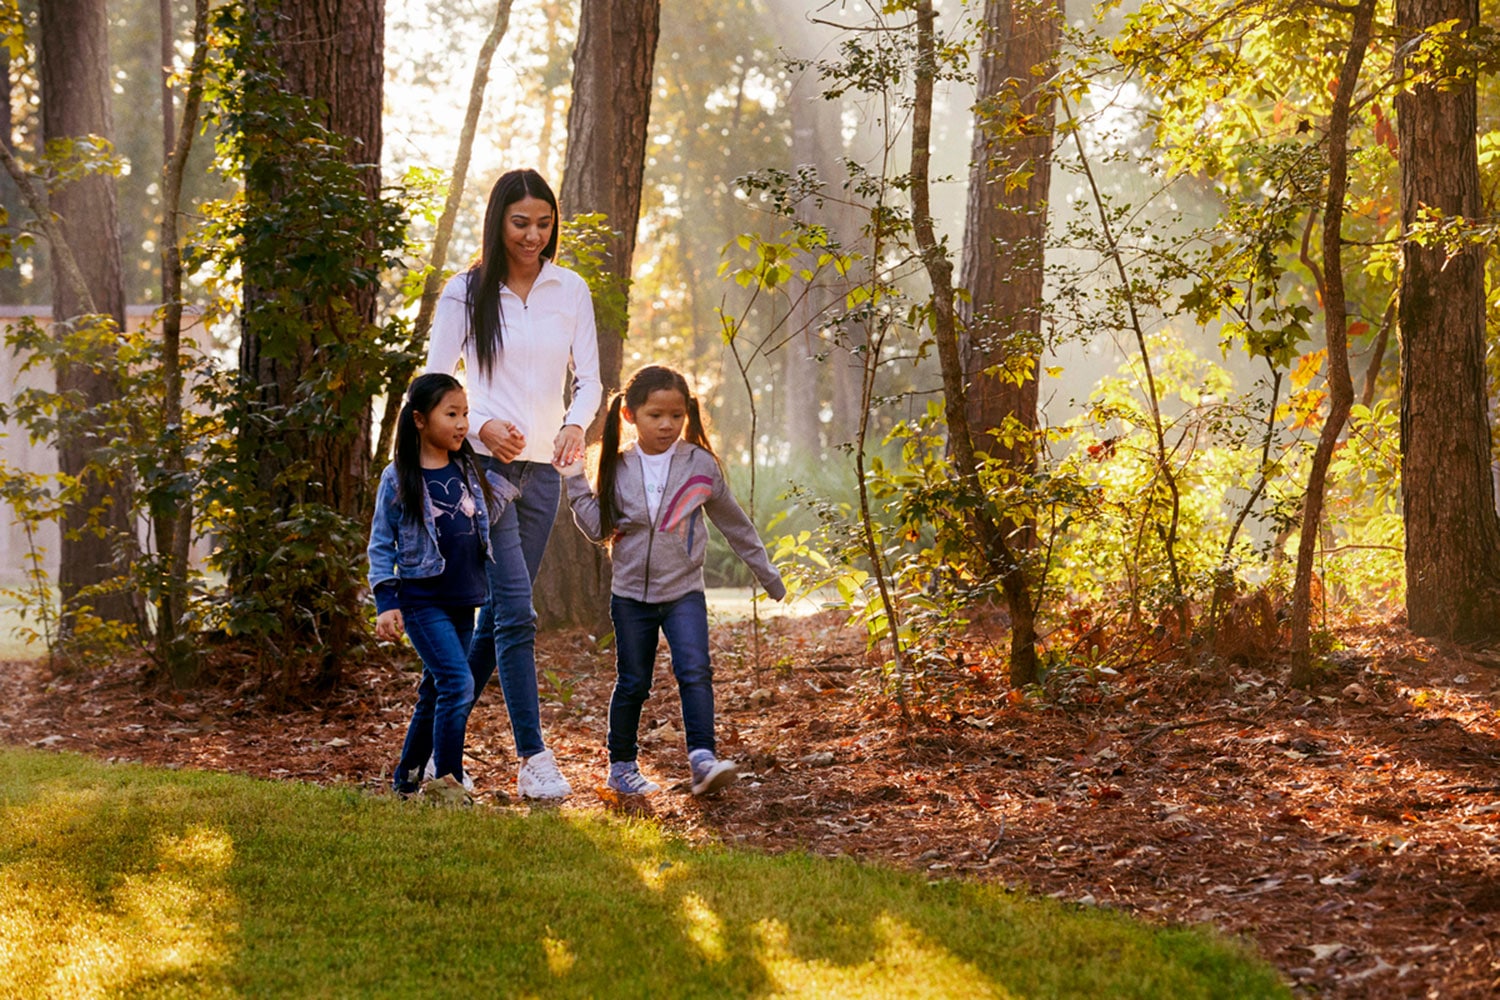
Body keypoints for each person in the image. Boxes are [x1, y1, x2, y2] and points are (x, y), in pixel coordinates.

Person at [425, 168, 601, 801]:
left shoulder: (569, 289)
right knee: (518, 612)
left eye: (544, 223)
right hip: (486, 474)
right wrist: (481, 429)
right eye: (521, 222)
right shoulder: (465, 292)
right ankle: (534, 757)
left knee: (497, 614)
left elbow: (591, 381)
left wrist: (575, 425)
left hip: (545, 477)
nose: (533, 235)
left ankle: (433, 754)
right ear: (499, 221)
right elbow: (435, 383)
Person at [563, 365, 787, 797]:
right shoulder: (616, 465)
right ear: (629, 416)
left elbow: (734, 524)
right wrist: (574, 481)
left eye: (676, 415)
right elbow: (597, 527)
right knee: (633, 681)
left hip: (684, 590)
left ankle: (702, 758)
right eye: (655, 415)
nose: (667, 425)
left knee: (695, 670)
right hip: (630, 596)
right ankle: (622, 767)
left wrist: (768, 574)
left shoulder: (699, 465)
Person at [368, 373, 517, 797]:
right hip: (421, 600)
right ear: (419, 419)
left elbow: (481, 511)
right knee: (458, 683)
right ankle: (448, 782)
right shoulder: (398, 478)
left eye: (465, 413)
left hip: (463, 599)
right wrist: (386, 601)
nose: (462, 423)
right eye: (451, 413)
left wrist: (515, 475)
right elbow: (381, 544)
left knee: (436, 689)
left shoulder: (467, 467)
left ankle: (408, 780)